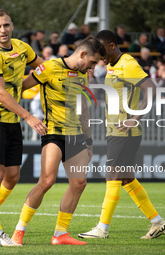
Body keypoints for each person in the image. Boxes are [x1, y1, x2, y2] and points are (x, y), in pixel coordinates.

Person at [11, 36, 105, 246]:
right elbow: (19, 89)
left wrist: (89, 140)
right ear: (82, 54)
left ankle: (60, 234)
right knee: (46, 181)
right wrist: (28, 117)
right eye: (91, 62)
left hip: (77, 135)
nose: (91, 68)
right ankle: (19, 231)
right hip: (53, 132)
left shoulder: (83, 75)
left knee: (79, 183)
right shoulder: (49, 68)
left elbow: (84, 107)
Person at [78, 30, 165, 240]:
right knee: (127, 179)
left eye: (102, 49)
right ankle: (157, 222)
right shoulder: (111, 66)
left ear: (111, 45)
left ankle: (102, 229)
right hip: (115, 130)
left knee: (112, 175)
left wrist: (134, 118)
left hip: (125, 132)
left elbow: (152, 89)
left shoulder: (128, 63)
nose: (100, 54)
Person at [0, 9, 46, 247]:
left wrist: (68, 70)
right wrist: (29, 116)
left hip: (13, 120)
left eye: (6, 25)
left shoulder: (22, 48)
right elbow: (0, 92)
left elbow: (42, 68)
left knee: (12, 177)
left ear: (12, 26)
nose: (2, 30)